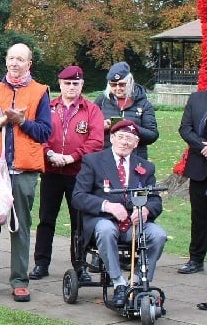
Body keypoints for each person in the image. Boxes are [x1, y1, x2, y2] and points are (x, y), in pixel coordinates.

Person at [0, 43, 52, 303]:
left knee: (21, 227)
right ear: (6, 61)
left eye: (20, 59)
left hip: (24, 170)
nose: (15, 63)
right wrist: (0, 122)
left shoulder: (40, 92)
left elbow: (45, 132)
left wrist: (22, 121)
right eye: (11, 58)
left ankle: (19, 281)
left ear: (29, 64)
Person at [71, 120, 166, 308]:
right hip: (104, 220)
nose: (124, 142)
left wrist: (146, 210)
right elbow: (78, 197)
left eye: (129, 139)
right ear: (112, 138)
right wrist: (107, 205)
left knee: (158, 234)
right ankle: (119, 283)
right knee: (106, 230)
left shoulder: (145, 167)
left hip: (134, 225)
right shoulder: (93, 161)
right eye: (120, 137)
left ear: (136, 143)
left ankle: (137, 282)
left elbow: (155, 200)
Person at [30, 65, 104, 281]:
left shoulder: (91, 110)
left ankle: (79, 266)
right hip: (51, 171)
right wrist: (50, 154)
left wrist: (72, 157)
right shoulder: (49, 107)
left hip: (79, 174)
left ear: (82, 85)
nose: (71, 87)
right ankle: (41, 263)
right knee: (46, 219)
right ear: (60, 84)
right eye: (67, 83)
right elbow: (38, 135)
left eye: (76, 83)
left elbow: (96, 141)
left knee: (78, 221)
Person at [95, 62, 158, 160]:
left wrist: (131, 126)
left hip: (135, 158)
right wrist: (100, 126)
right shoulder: (101, 101)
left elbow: (152, 135)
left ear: (130, 82)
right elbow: (87, 128)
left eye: (122, 84)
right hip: (105, 157)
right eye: (113, 85)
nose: (117, 88)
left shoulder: (144, 104)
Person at [176, 87, 207, 274]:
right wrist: (202, 146)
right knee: (199, 216)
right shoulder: (196, 99)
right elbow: (185, 129)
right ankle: (196, 259)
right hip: (199, 168)